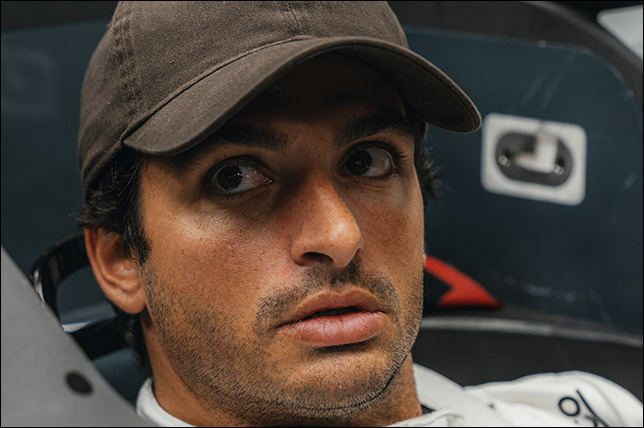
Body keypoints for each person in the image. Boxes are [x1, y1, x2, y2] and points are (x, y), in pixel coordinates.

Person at [77, 2, 642, 426]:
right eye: (235, 178)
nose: (339, 235)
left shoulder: (587, 406)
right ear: (122, 259)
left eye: (366, 161)